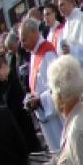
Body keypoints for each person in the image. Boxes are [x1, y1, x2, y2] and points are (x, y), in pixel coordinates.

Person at [19, 18, 64, 151]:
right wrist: (31, 97)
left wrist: (39, 100)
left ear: (34, 32)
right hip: (46, 115)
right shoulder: (34, 54)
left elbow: (58, 87)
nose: (22, 44)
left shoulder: (47, 52)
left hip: (56, 117)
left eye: (24, 39)